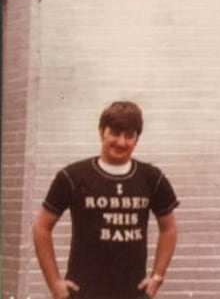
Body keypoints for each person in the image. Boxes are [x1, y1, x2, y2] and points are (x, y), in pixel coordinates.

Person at [32, 101, 179, 299]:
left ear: (137, 139)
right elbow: (41, 227)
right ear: (102, 131)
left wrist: (157, 277)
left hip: (132, 293)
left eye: (129, 136)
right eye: (115, 133)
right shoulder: (72, 177)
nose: (121, 142)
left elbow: (169, 228)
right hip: (82, 293)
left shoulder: (152, 178)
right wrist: (55, 284)